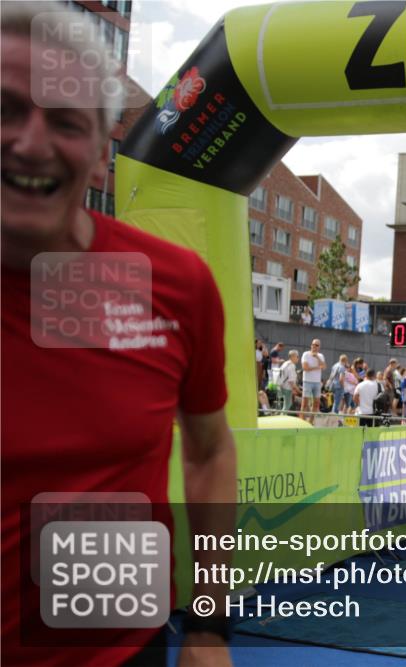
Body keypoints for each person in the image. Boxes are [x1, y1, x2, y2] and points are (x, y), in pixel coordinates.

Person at [1, 5, 236, 665]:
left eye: (67, 122)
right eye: (4, 107)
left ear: (103, 158)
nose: (30, 142)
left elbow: (209, 452)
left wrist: (209, 626)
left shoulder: (174, 284)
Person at [299, 339, 326, 423]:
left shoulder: (321, 356)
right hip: (307, 381)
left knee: (317, 403)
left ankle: (311, 421)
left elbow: (324, 367)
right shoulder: (306, 354)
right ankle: (301, 421)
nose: (314, 346)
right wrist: (318, 367)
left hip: (317, 382)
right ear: (311, 345)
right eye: (313, 344)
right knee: (305, 403)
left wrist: (317, 357)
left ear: (319, 347)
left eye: (316, 345)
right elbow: (305, 368)